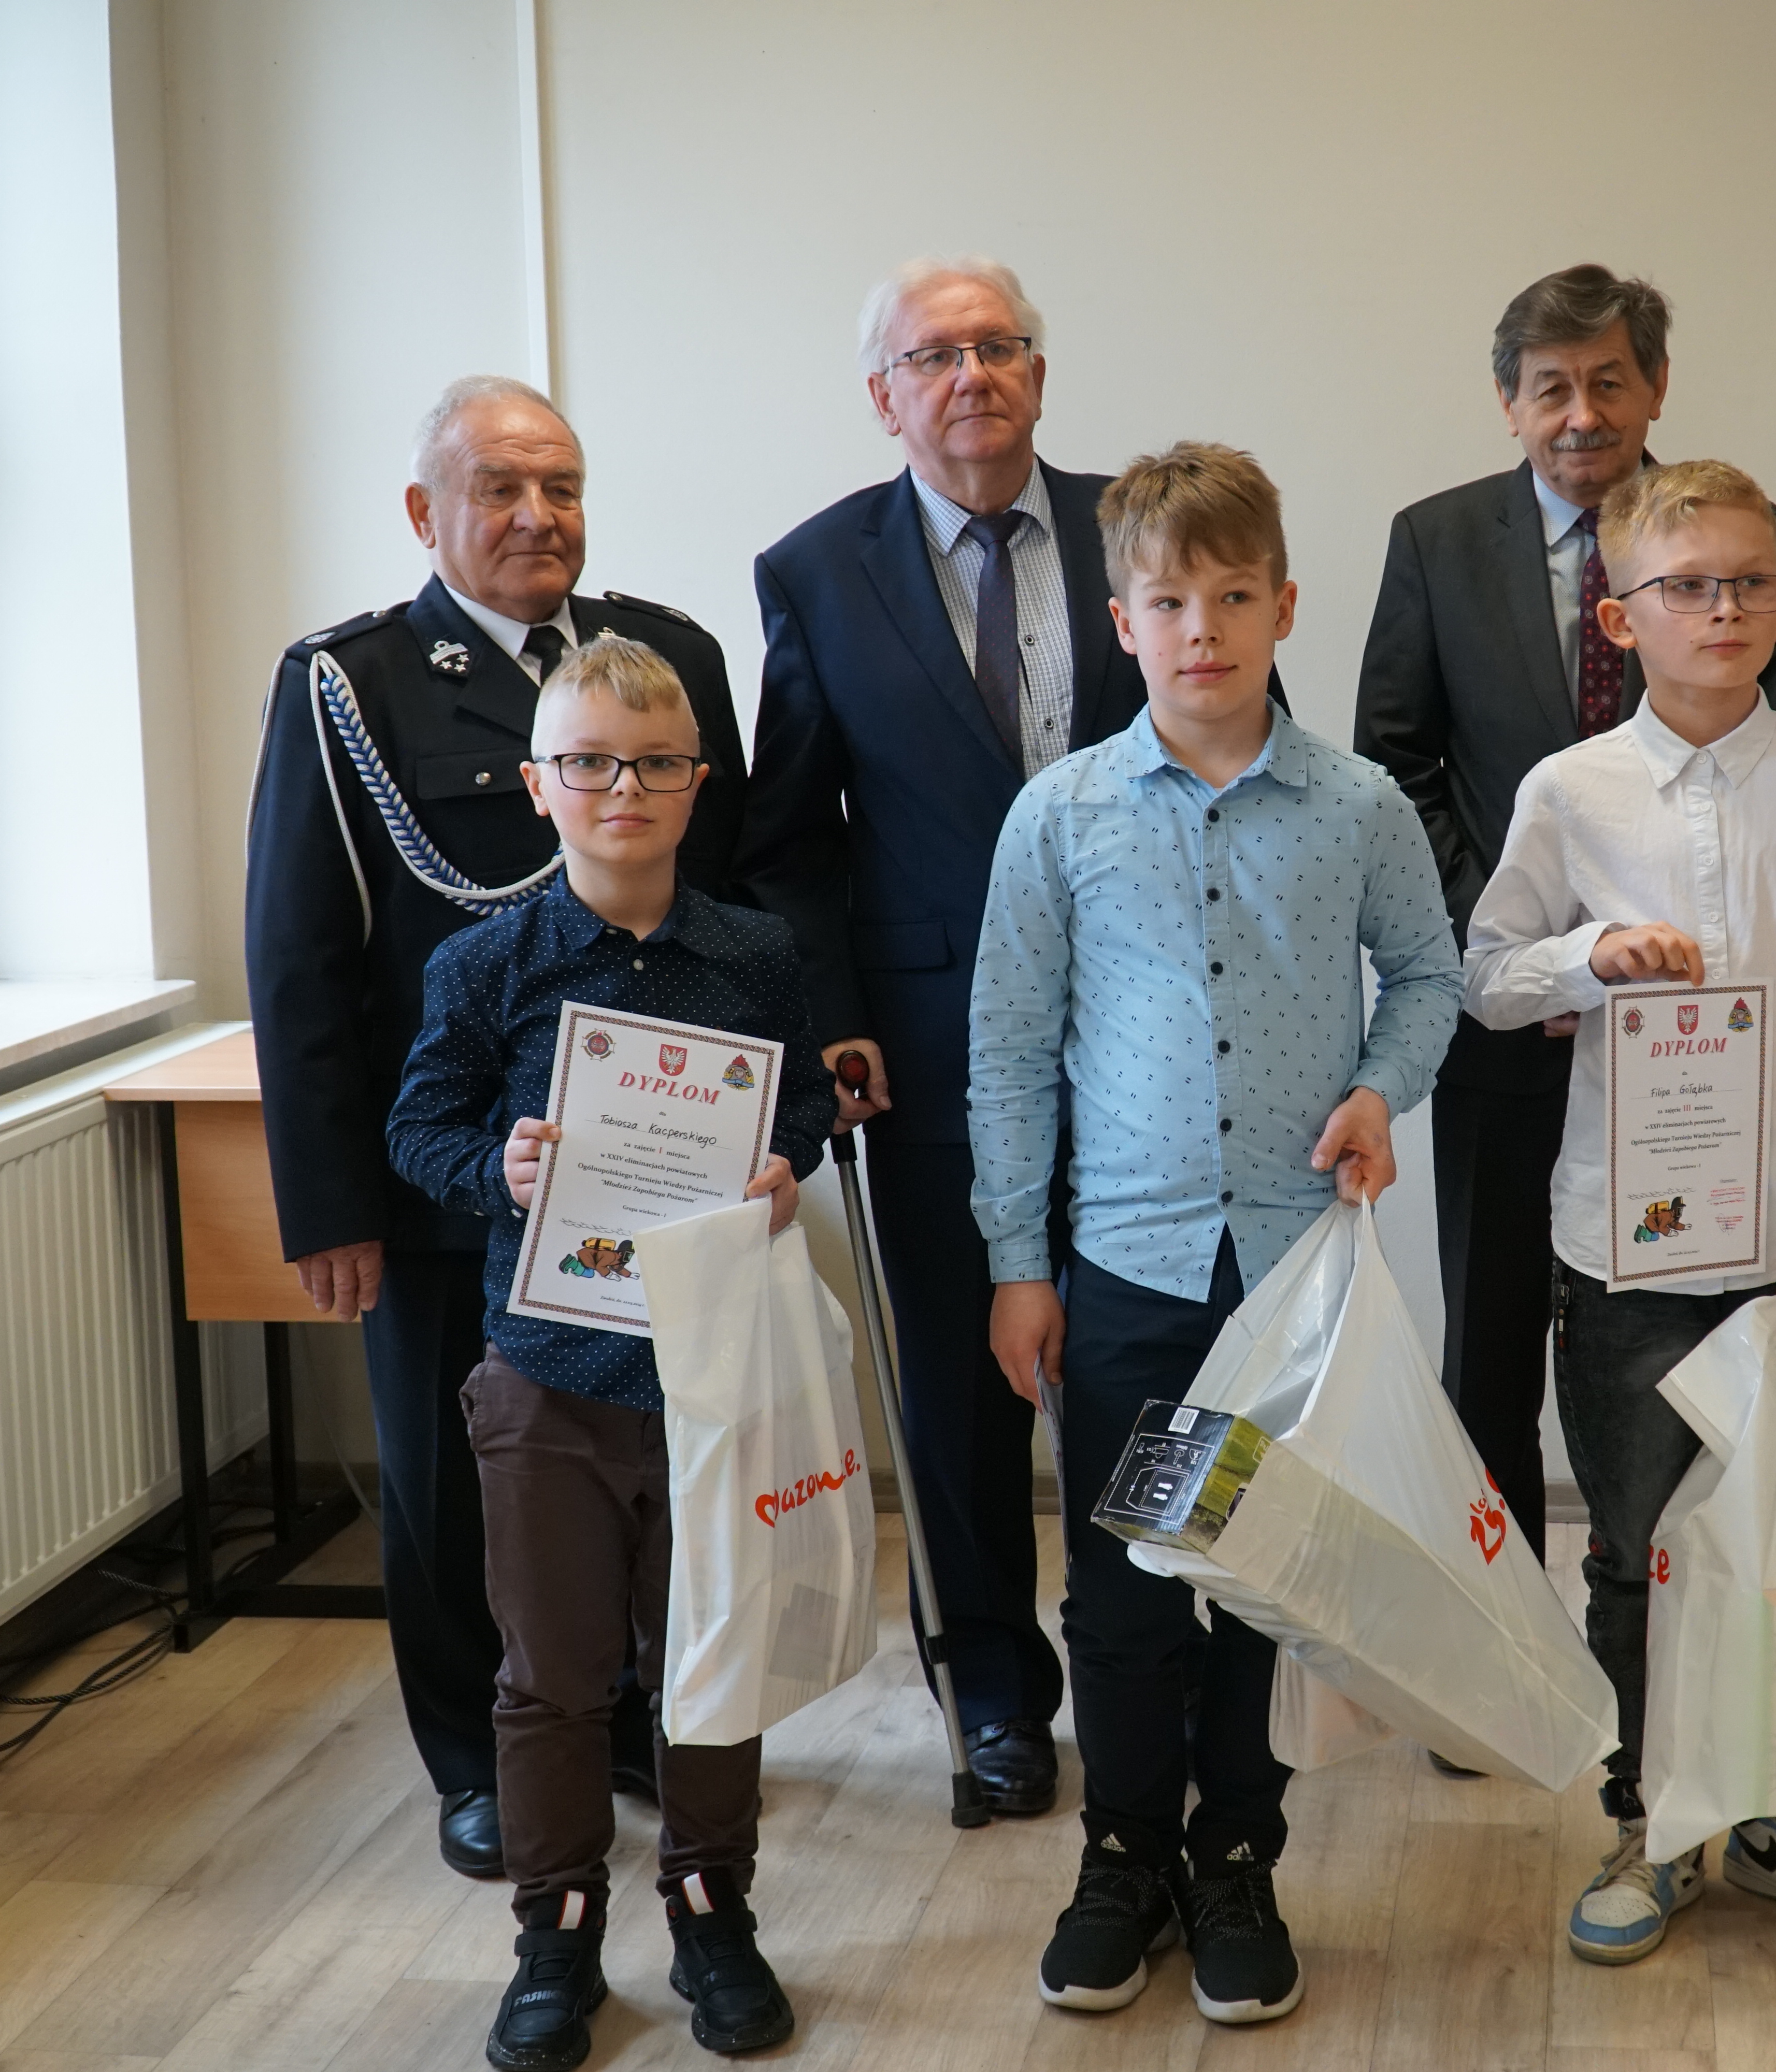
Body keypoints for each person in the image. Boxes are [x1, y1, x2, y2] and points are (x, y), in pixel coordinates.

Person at [736, 257, 1234, 1817]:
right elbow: (790, 835)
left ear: (1038, 372)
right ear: (883, 394)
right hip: (931, 1042)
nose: (972, 374)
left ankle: (1170, 1664)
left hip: (1156, 1037)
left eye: (999, 345)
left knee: (1161, 1360)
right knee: (960, 1387)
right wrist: (836, 1020)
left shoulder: (1139, 532)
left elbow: (1229, 741)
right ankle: (1000, 1693)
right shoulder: (816, 572)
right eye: (935, 354)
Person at [968, 443, 1459, 2026]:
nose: (1203, 630)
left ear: (1284, 608)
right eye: (1169, 603)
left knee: (1258, 1580)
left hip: (1288, 1283)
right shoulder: (1061, 816)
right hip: (1129, 1279)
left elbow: (1432, 978)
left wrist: (1380, 1090)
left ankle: (1237, 1855)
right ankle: (1124, 1854)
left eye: (1234, 597)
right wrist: (1018, 1266)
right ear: (1123, 622)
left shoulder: (1358, 806)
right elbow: (1006, 1050)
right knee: (1124, 1592)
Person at [243, 375, 747, 1878]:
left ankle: (630, 1720)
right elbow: (299, 957)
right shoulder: (350, 684)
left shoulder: (667, 659)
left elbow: (725, 903)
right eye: (501, 488)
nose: (539, 517)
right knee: (452, 1479)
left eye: (563, 487)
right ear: (426, 512)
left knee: (640, 1461)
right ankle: (477, 1758)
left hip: (649, 1177)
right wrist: (329, 1202)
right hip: (444, 1179)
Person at [1462, 461, 1776, 1967]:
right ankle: (1655, 1820)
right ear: (1620, 616)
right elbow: (1489, 975)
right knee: (1637, 1550)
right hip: (1624, 1253)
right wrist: (1588, 955)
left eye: (1752, 582)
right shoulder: (1569, 791)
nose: (1726, 608)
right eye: (1689, 586)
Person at [1353, 266, 1776, 1673]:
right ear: (1508, 401)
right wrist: (1538, 958)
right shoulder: (1438, 540)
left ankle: (1682, 1648)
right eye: (1550, 386)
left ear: (1655, 388)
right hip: (1510, 1028)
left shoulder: (1734, 537)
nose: (1582, 413)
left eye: (1610, 381)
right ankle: (1496, 1650)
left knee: (1691, 1338)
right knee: (1493, 1341)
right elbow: (1397, 767)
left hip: (1694, 1043)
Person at [389, 635, 836, 2067]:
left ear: (698, 782)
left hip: (712, 1379)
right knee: (552, 1676)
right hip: (549, 1380)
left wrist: (787, 1165)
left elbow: (804, 1107)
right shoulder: (484, 965)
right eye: (589, 764)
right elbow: (419, 1130)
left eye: (653, 764)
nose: (623, 789)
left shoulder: (756, 955)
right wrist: (498, 1169)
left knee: (709, 1655)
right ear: (539, 785)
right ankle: (556, 1933)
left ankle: (712, 1910)